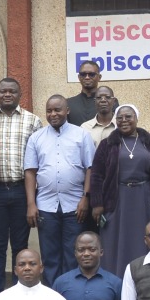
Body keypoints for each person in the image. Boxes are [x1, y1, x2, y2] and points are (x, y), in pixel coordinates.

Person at [0, 77, 44, 294]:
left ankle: (20, 289)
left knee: (20, 243)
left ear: (19, 94)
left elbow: (38, 160)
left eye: (12, 92)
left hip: (21, 190)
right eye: (3, 91)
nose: (7, 95)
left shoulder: (33, 121)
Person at [91, 104, 150, 279]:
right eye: (119, 118)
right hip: (116, 200)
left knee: (142, 239)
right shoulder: (108, 144)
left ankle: (147, 279)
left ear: (136, 119)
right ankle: (117, 281)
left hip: (145, 199)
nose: (124, 121)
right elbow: (96, 175)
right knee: (115, 243)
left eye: (128, 117)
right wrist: (97, 203)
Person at [24, 94, 95, 286]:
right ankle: (53, 296)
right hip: (46, 206)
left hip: (75, 206)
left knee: (73, 255)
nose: (53, 114)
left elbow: (90, 168)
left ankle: (72, 295)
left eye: (58, 110)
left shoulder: (81, 135)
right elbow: (30, 172)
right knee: (50, 256)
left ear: (67, 111)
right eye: (49, 110)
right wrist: (31, 204)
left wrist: (86, 198)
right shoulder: (36, 138)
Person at [65, 59, 102, 126]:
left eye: (92, 74)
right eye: (83, 74)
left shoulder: (108, 102)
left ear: (99, 77)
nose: (87, 77)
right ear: (79, 77)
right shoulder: (68, 103)